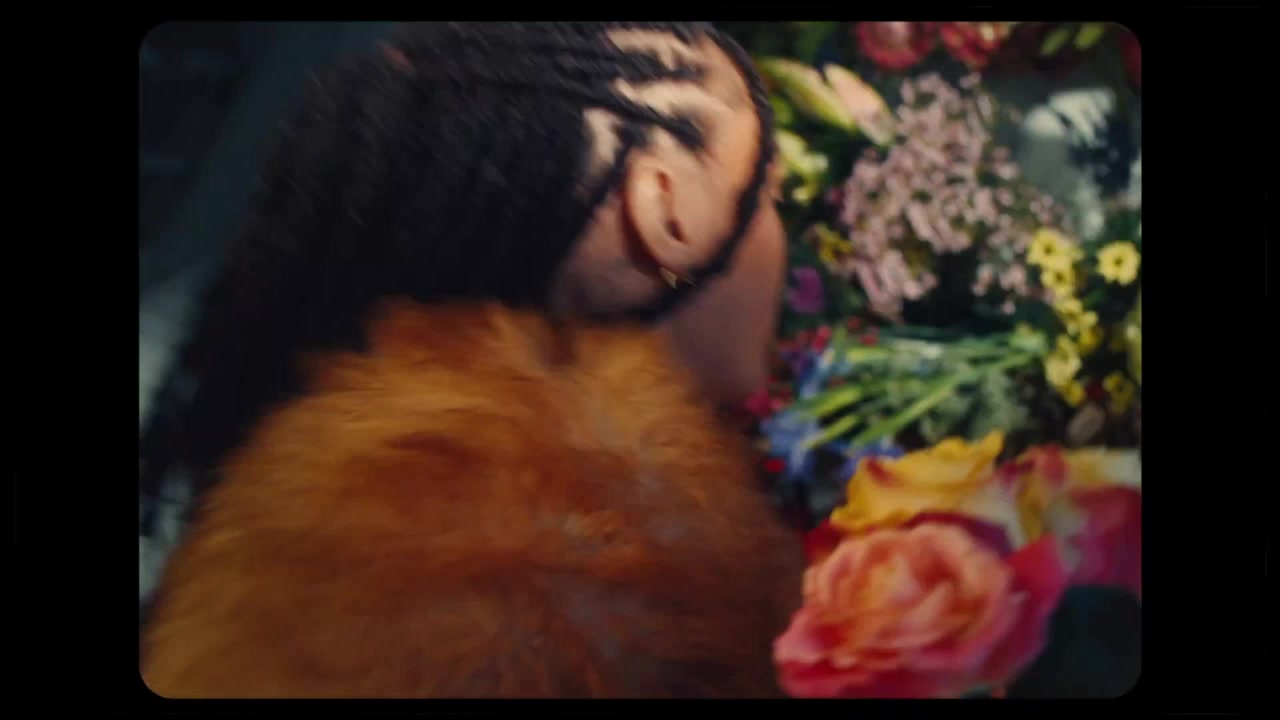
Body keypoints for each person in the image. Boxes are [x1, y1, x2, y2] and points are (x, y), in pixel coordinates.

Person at [139, 21, 803, 698]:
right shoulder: (615, 591)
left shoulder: (313, 552)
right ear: (666, 215)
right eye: (771, 194)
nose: (783, 228)